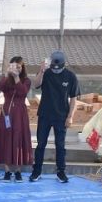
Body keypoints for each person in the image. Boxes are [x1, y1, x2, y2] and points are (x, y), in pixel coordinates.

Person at [30, 49, 80, 183]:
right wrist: (41, 70)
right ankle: (36, 171)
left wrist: (70, 116)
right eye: (54, 68)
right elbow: (35, 85)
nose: (56, 70)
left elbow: (74, 98)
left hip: (61, 116)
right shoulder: (45, 73)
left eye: (59, 68)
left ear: (64, 65)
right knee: (41, 144)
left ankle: (61, 172)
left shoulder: (70, 76)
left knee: (60, 145)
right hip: (45, 114)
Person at [0, 56, 33, 180]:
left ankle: (17, 171)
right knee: (6, 139)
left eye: (18, 66)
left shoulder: (26, 80)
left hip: (20, 114)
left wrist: (16, 77)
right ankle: (7, 171)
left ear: (22, 67)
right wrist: (7, 74)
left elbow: (22, 92)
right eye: (13, 66)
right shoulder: (7, 80)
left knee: (18, 139)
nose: (16, 68)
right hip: (6, 113)